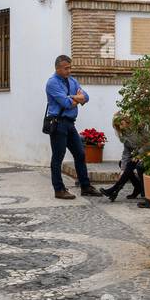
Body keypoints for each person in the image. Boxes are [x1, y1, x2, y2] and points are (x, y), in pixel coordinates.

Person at [45, 55, 100, 200]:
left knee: (80, 154)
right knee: (58, 157)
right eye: (66, 68)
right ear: (57, 68)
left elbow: (86, 97)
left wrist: (73, 97)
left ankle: (85, 186)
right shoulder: (52, 83)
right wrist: (77, 98)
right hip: (58, 123)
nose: (69, 71)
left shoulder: (72, 81)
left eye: (70, 67)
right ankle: (59, 189)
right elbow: (66, 103)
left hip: (70, 123)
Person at [101, 116, 149, 208]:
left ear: (127, 121)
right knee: (124, 165)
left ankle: (114, 190)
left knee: (131, 164)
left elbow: (149, 143)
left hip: (148, 154)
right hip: (137, 157)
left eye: (121, 123)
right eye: (118, 125)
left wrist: (139, 154)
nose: (119, 126)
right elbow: (126, 153)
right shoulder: (125, 135)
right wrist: (122, 169)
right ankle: (120, 190)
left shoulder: (139, 128)